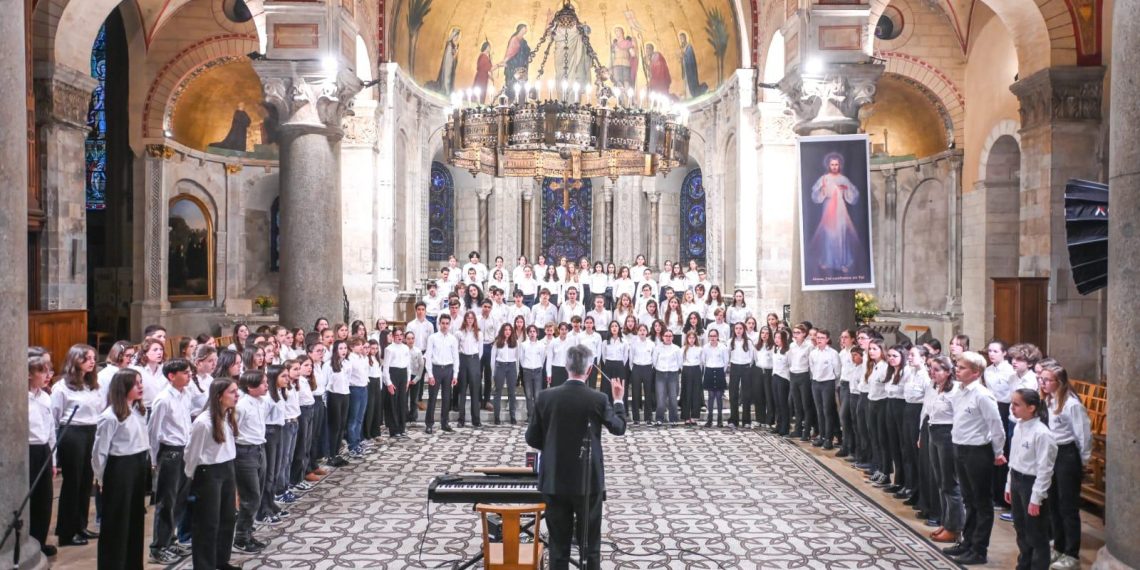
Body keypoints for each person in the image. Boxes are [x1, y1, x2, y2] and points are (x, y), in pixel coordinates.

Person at [526, 344, 626, 570]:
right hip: (587, 481)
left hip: (555, 481)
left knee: (558, 547)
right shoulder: (598, 399)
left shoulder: (545, 397)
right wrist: (618, 400)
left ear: (565, 366)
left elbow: (532, 439)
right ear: (589, 371)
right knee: (590, 547)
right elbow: (619, 428)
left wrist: (553, 446)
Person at [943, 351, 1007, 566]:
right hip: (960, 447)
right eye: (957, 366)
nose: (956, 370)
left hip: (978, 451)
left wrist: (998, 453)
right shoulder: (959, 391)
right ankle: (967, 542)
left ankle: (979, 549)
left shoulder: (982, 395)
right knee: (968, 499)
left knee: (981, 502)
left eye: (961, 368)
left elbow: (996, 427)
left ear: (976, 372)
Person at [92, 370, 150, 570]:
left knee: (134, 519)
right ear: (123, 387)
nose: (141, 387)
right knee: (117, 522)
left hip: (137, 465)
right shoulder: (110, 416)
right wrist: (100, 479)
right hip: (119, 469)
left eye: (141, 383)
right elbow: (100, 452)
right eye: (136, 384)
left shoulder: (138, 410)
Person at [184, 379, 241, 570]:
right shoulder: (203, 422)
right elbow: (191, 453)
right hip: (208, 473)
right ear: (219, 396)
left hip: (227, 468)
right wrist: (190, 477)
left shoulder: (227, 416)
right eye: (232, 392)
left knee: (227, 518)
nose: (237, 395)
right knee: (208, 522)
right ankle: (204, 565)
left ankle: (221, 560)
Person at [1039, 364, 1090, 570]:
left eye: (1046, 380)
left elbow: (1083, 434)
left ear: (1059, 382)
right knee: (1053, 504)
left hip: (1067, 454)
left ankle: (1072, 553)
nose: (1042, 383)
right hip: (1051, 453)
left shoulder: (1071, 404)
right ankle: (1058, 547)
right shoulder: (1048, 401)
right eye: (1041, 379)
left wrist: (1083, 460)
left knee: (1067, 506)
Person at [51, 343, 103, 547]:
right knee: (73, 483)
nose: (92, 361)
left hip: (91, 432)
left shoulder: (92, 384)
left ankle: (80, 525)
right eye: (87, 358)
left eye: (93, 358)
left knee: (85, 482)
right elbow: (55, 417)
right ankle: (66, 531)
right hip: (72, 434)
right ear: (75, 360)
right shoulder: (61, 387)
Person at [148, 359, 195, 564]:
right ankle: (158, 547)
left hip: (184, 451)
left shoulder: (186, 394)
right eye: (185, 373)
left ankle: (171, 540)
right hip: (170, 454)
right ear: (171, 376)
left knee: (179, 500)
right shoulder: (163, 399)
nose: (189, 375)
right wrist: (154, 460)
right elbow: (153, 432)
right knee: (166, 502)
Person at [1005, 388, 1057, 570]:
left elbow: (1045, 470)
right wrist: (1009, 484)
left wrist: (1036, 498)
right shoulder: (1019, 426)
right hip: (1017, 479)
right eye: (1012, 403)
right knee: (1020, 529)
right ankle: (1024, 564)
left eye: (1017, 405)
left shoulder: (1042, 434)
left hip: (1032, 484)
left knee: (1036, 533)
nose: (1012, 408)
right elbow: (1014, 458)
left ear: (1032, 407)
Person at [923, 355, 964, 544]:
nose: (932, 372)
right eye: (931, 368)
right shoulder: (934, 387)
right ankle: (946, 522)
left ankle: (955, 528)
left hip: (948, 435)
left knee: (950, 483)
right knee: (940, 481)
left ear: (948, 372)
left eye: (937, 369)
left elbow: (959, 417)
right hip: (934, 431)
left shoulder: (955, 390)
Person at [27, 349, 57, 557]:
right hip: (27, 450)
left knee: (44, 500)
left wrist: (53, 459)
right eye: (42, 371)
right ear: (29, 374)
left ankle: (39, 540)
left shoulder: (45, 397)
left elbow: (51, 431)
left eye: (49, 370)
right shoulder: (20, 398)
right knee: (28, 499)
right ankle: (26, 542)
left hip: (44, 450)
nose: (48, 375)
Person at [424, 314, 460, 435]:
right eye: (443, 323)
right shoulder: (432, 338)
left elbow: (456, 357)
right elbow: (428, 356)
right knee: (432, 398)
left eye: (447, 323)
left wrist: (455, 374)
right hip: (436, 369)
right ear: (439, 324)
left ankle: (445, 423)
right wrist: (430, 374)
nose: (445, 326)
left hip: (448, 369)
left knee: (446, 398)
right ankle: (429, 424)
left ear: (450, 325)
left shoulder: (453, 339)